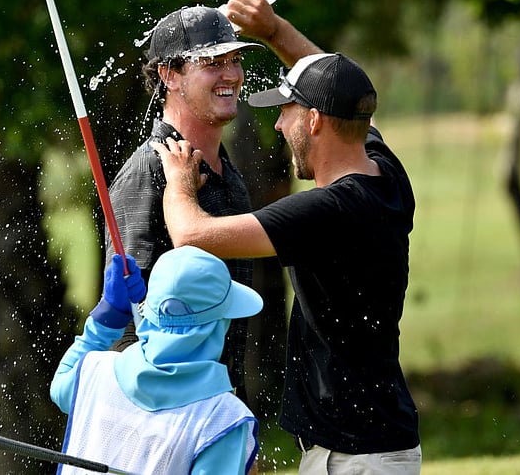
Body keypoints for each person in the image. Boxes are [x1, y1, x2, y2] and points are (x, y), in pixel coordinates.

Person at [151, 48, 423, 473]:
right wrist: (274, 30)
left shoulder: (328, 211)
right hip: (367, 443)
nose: (278, 124)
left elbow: (192, 234)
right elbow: (342, 89)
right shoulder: (386, 174)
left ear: (314, 120)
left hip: (357, 458)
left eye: (286, 112)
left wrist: (180, 184)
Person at [103, 4, 266, 402]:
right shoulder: (148, 172)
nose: (231, 74)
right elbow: (125, 318)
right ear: (169, 75)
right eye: (212, 62)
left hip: (222, 409)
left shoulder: (231, 176)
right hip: (168, 415)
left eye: (235, 59)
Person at [50, 245, 264, 474]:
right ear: (220, 324)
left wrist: (106, 320)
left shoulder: (95, 372)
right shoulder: (223, 419)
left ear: (149, 312)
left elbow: (60, 389)